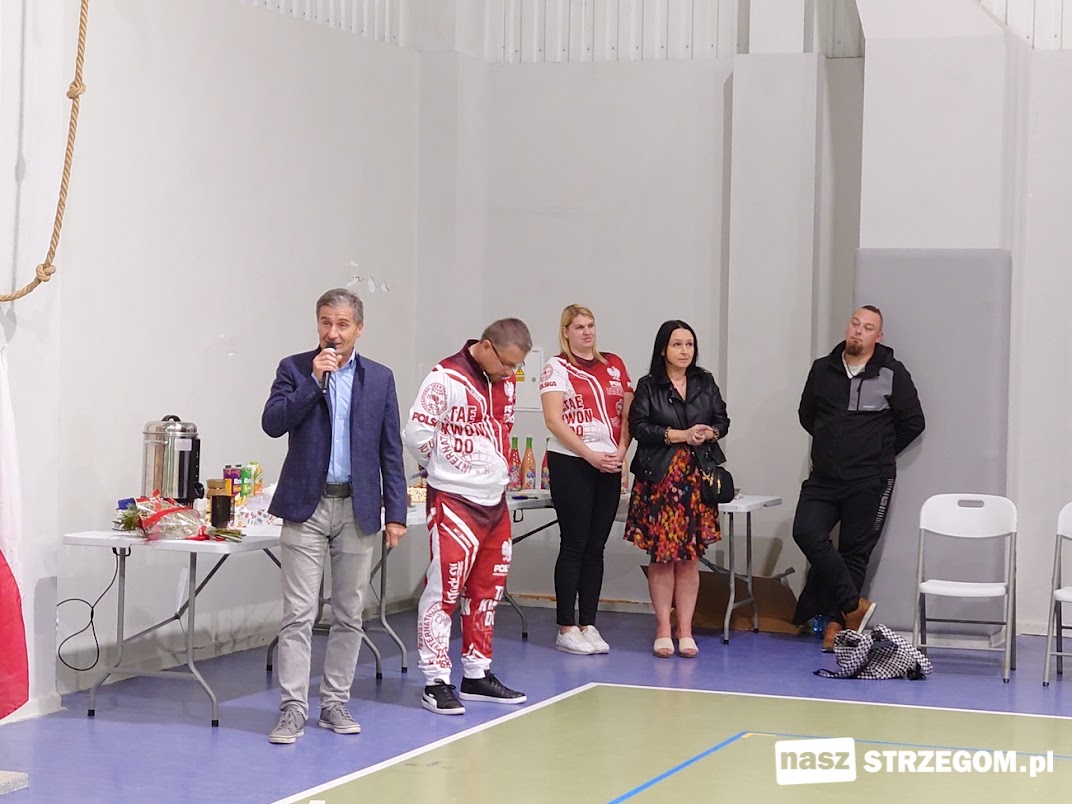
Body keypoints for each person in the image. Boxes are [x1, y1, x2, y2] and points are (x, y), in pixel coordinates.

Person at [261, 288, 408, 744]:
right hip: (306, 507)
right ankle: (292, 709)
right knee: (298, 614)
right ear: (317, 324)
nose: (333, 333)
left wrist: (396, 513)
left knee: (349, 613)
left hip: (357, 507)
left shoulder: (379, 378)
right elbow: (272, 423)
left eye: (343, 324)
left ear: (359, 329)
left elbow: (390, 450)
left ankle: (334, 703)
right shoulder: (294, 368)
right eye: (326, 322)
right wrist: (313, 381)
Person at [403, 318, 533, 715]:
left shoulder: (506, 382)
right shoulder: (444, 378)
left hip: (495, 501)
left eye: (517, 367)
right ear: (487, 347)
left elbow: (502, 432)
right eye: (507, 363)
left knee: (487, 592)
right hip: (455, 501)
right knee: (444, 592)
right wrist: (444, 470)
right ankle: (435, 681)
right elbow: (415, 434)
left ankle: (476, 673)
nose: (511, 373)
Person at [792, 305, 925, 651]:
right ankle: (855, 605)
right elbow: (807, 415)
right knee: (806, 532)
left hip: (870, 479)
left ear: (878, 336)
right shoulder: (822, 369)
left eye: (867, 328)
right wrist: (832, 443)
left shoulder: (892, 373)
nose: (858, 331)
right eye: (855, 324)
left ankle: (837, 625)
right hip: (823, 478)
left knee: (854, 553)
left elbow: (913, 422)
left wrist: (877, 451)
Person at [624, 320, 729, 659]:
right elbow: (639, 427)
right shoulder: (648, 385)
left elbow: (722, 420)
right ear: (663, 350)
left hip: (696, 478)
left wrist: (708, 432)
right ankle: (662, 628)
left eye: (689, 344)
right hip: (661, 479)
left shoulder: (704, 381)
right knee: (662, 557)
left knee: (689, 558)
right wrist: (679, 435)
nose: (685, 351)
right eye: (677, 344)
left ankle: (685, 629)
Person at [540, 305, 633, 655]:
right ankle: (566, 626)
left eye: (591, 325)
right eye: (578, 326)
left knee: (597, 546)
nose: (587, 332)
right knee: (574, 543)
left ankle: (588, 623)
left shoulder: (614, 364)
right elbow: (554, 420)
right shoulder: (557, 367)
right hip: (571, 461)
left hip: (608, 463)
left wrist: (621, 451)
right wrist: (589, 454)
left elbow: (627, 415)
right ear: (566, 331)